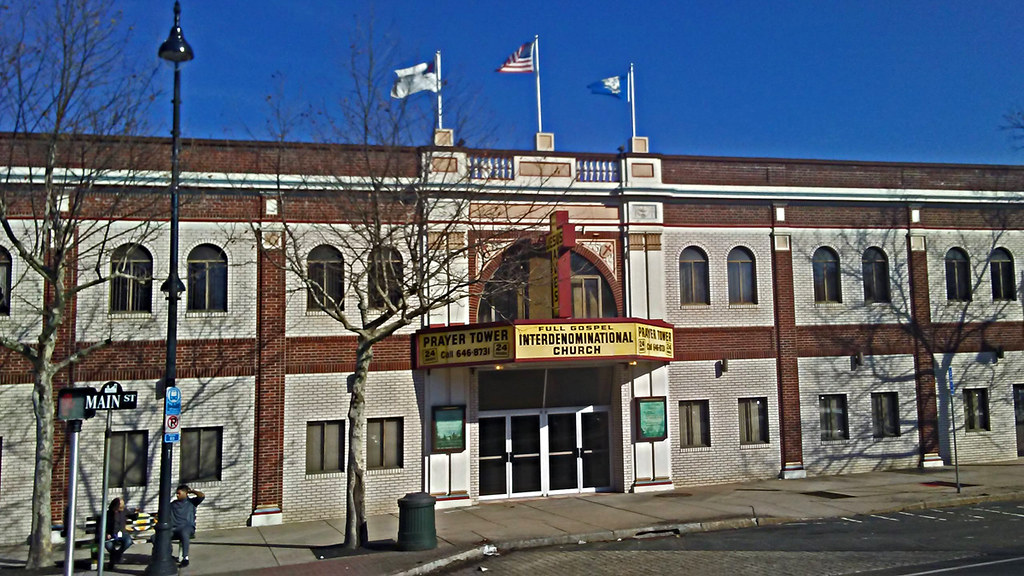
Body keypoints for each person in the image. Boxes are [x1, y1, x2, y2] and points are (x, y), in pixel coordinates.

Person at [170, 484, 204, 567]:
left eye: (179, 493)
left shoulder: (191, 502)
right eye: (176, 494)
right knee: (156, 537)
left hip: (187, 527)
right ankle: (167, 556)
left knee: (184, 532)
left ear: (185, 493)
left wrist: (191, 491)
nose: (177, 495)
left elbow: (201, 496)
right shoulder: (173, 504)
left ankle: (185, 558)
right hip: (174, 528)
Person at [101, 497, 133, 568]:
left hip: (122, 533)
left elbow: (132, 516)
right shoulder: (108, 514)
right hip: (111, 534)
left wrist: (136, 514)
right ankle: (113, 561)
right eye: (120, 507)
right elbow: (102, 526)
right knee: (109, 545)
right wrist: (106, 534)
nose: (121, 508)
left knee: (128, 541)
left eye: (122, 506)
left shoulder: (124, 511)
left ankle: (117, 554)